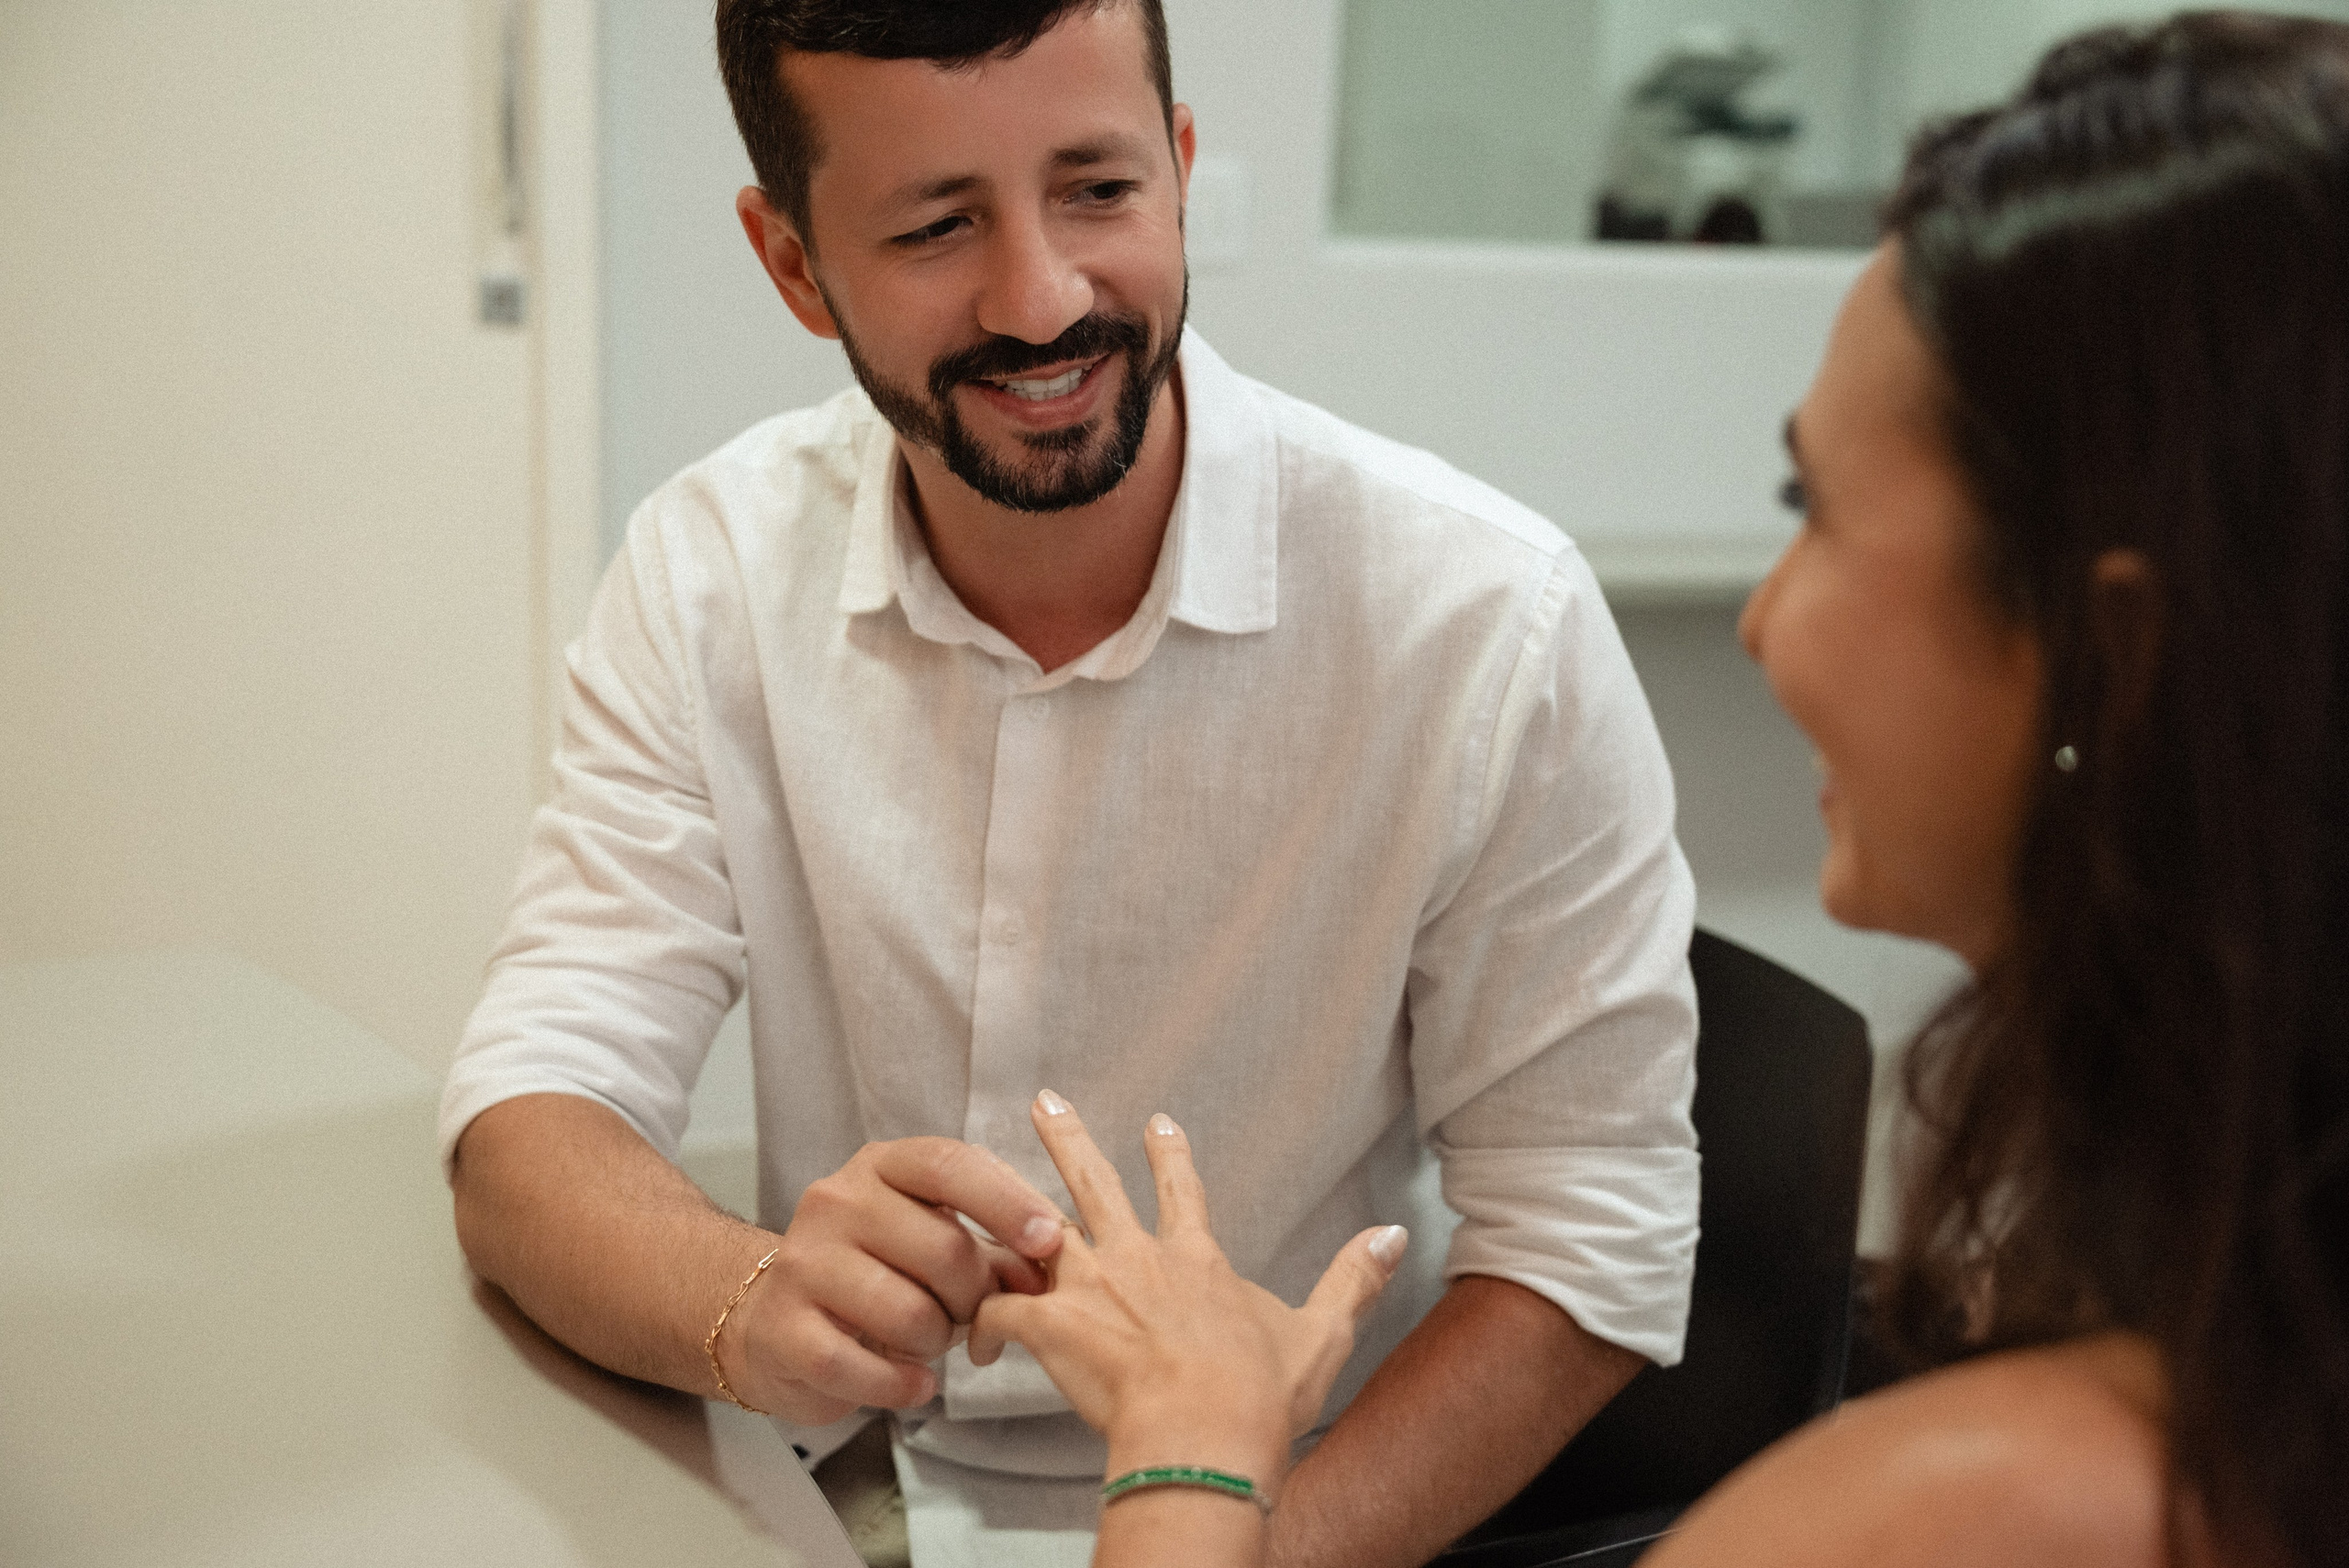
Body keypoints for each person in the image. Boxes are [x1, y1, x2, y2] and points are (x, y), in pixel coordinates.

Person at [976, 13, 2349, 1568]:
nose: (1766, 616)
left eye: (1813, 507)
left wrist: (1193, 1443)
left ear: (2113, 650)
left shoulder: (1977, 1508)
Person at [437, 2, 1702, 1565]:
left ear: (1177, 169)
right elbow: (530, 1114)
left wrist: (1220, 1543)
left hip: (1300, 1506)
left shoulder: (1484, 622)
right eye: (936, 223)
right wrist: (746, 1304)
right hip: (823, 1489)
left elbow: (1594, 1241)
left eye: (1098, 189)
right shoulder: (711, 573)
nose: (1042, 300)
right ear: (792, 265)